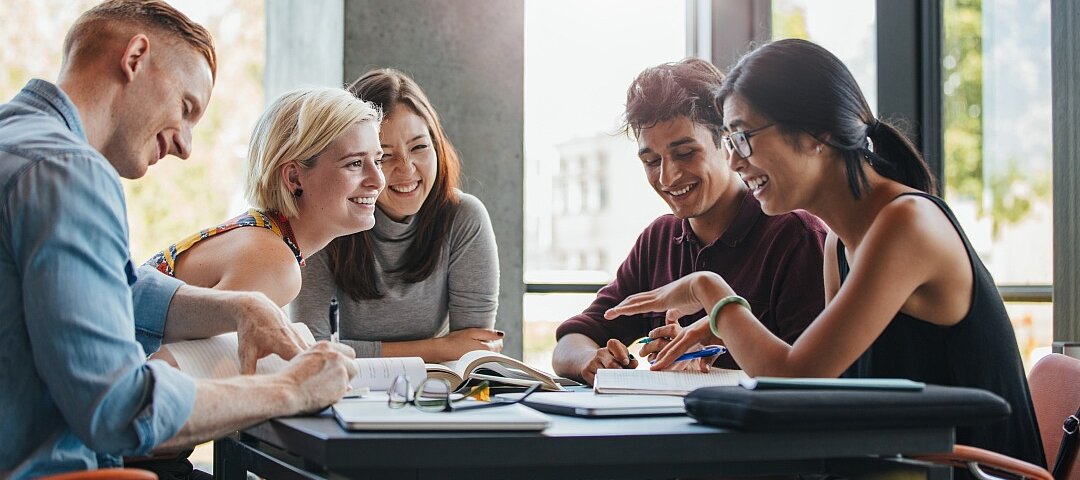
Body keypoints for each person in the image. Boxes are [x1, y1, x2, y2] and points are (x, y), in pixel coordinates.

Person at [606, 39, 1043, 465]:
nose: (736, 162)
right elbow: (826, 389)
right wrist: (722, 331)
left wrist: (711, 292)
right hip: (903, 465)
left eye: (743, 137)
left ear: (817, 133)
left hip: (968, 471)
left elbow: (795, 378)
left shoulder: (905, 224)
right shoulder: (840, 242)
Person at [0, 2, 358, 478]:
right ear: (135, 58)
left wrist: (242, 307)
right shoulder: (69, 172)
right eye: (186, 108)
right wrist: (292, 389)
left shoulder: (18, 141)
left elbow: (118, 290)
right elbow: (119, 410)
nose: (186, 146)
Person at [551, 58, 828, 385]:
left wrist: (715, 350)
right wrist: (590, 360)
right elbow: (572, 340)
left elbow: (812, 377)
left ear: (728, 143)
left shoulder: (795, 235)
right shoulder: (659, 240)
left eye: (684, 154)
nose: (667, 176)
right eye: (652, 161)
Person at [291, 68, 502, 363]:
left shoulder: (464, 217)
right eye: (384, 156)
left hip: (435, 392)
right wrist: (439, 348)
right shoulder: (326, 219)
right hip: (346, 392)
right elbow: (311, 349)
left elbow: (472, 349)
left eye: (419, 147)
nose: (406, 169)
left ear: (438, 146)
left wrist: (451, 350)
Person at [144, 87, 385, 308]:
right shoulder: (274, 264)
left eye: (378, 161)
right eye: (354, 163)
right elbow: (175, 355)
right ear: (294, 178)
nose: (378, 180)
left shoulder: (264, 236)